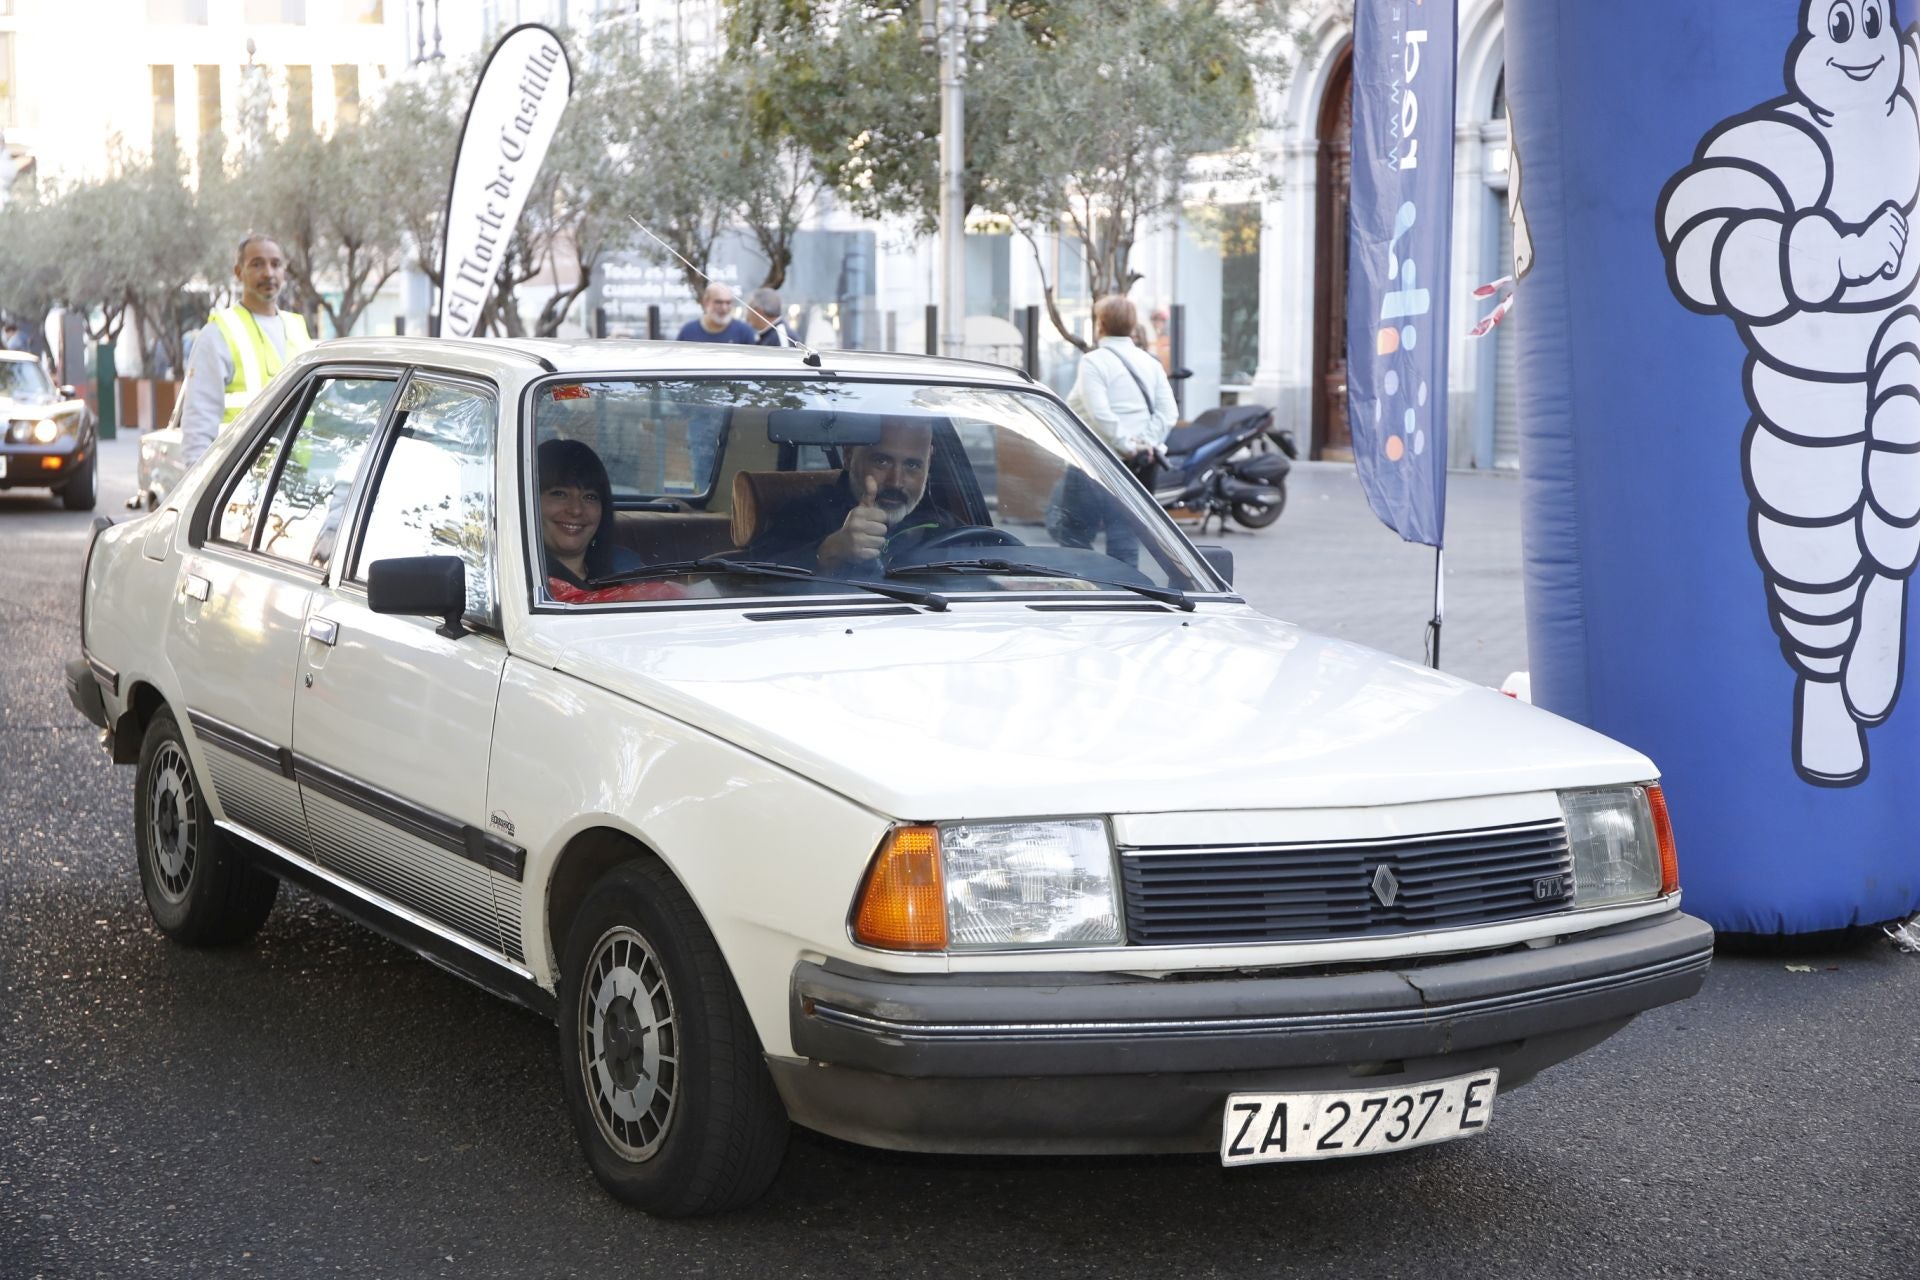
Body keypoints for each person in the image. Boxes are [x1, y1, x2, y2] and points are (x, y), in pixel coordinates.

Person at [1055, 294, 1178, 567]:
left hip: (1095, 462)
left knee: (1073, 537)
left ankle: (1082, 592)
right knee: (1124, 538)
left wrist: (1126, 446)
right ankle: (1127, 597)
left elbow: (1101, 414)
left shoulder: (1094, 362)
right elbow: (1168, 413)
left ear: (1100, 324)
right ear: (1132, 326)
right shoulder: (1150, 363)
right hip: (1140, 464)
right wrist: (1143, 445)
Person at [748, 417, 960, 574]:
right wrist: (830, 550)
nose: (896, 481)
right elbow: (749, 578)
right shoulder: (803, 516)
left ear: (929, 463)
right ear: (848, 455)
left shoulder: (947, 527)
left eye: (912, 465)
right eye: (881, 461)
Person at [179, 234, 313, 467]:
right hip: (240, 485)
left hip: (297, 483)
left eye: (275, 264)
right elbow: (198, 423)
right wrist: (198, 490)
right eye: (257, 264)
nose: (268, 273)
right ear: (238, 272)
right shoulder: (217, 334)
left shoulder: (297, 329)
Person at [674, 283, 756, 344]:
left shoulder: (744, 332)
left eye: (728, 303)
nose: (724, 308)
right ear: (706, 302)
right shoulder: (689, 331)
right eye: (719, 302)